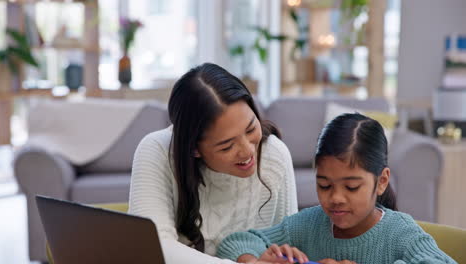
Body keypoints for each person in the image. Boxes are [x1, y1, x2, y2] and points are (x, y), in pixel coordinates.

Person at [217, 113, 457, 264]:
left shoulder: (400, 233)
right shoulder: (307, 225)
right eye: (324, 185)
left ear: (381, 181)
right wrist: (254, 260)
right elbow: (236, 242)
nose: (336, 198)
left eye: (351, 187)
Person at [128, 63, 298, 264]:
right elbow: (154, 248)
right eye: (227, 146)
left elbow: (290, 242)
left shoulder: (275, 155)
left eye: (251, 129)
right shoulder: (157, 150)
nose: (247, 150)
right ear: (194, 149)